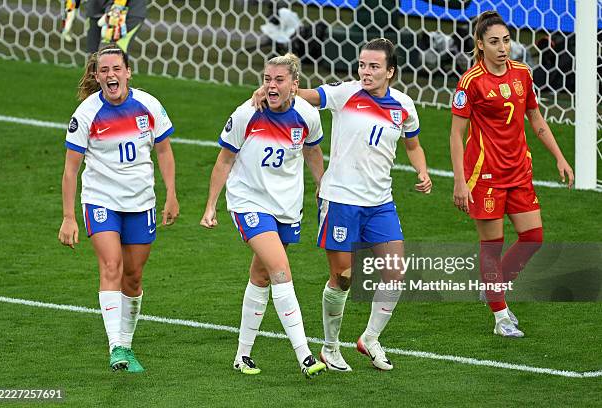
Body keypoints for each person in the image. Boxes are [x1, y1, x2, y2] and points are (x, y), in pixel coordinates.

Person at [254, 38, 432, 372]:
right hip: (341, 201)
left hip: (381, 203)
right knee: (344, 277)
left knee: (395, 273)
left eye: (374, 66)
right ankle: (331, 347)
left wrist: (422, 170)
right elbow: (310, 95)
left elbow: (414, 145)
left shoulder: (404, 106)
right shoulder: (346, 93)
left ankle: (370, 338)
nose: (366, 72)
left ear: (390, 71)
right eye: (363, 65)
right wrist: (278, 90)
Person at [200, 53, 328, 378]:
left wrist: (322, 185)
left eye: (278, 80)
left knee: (261, 276)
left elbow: (313, 151)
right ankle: (305, 355)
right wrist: (211, 205)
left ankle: (242, 356)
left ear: (294, 85)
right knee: (281, 269)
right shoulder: (247, 114)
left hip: (285, 206)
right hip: (249, 202)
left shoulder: (308, 116)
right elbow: (224, 160)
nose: (271, 85)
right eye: (267, 79)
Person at [449, 11, 574, 338]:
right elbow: (455, 134)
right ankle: (501, 316)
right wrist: (460, 182)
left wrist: (560, 157)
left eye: (506, 40)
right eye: (494, 42)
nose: (503, 47)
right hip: (486, 174)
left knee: (533, 238)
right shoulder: (471, 82)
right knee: (492, 244)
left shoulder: (522, 74)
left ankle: (493, 287)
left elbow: (536, 118)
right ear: (480, 44)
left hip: (519, 170)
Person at [58, 44, 179, 372]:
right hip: (101, 200)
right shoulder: (86, 114)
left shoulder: (148, 105)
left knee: (133, 275)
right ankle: (116, 349)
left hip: (141, 202)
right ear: (97, 77)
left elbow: (164, 152)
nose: (111, 75)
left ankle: (126, 343)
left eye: (116, 69)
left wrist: (171, 194)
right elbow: (71, 169)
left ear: (127, 72)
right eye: (104, 71)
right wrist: (69, 217)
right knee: (111, 266)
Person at [61, 0, 146, 54]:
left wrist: (117, 8)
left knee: (111, 57)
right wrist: (70, 7)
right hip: (95, 8)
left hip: (127, 11)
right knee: (92, 58)